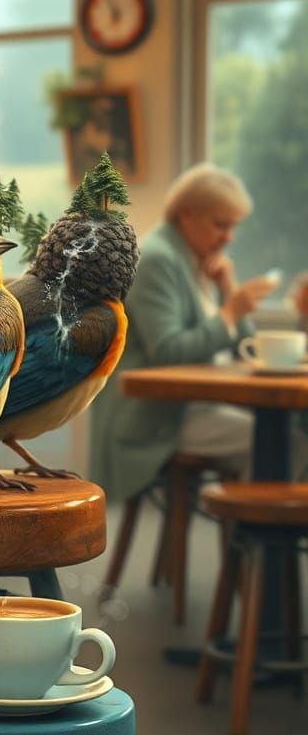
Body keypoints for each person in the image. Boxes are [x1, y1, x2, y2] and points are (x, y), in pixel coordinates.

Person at [89, 163, 276, 502]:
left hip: (192, 406)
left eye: (233, 227)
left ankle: (257, 544)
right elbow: (168, 350)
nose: (229, 237)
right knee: (274, 441)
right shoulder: (157, 259)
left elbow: (245, 344)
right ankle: (259, 543)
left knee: (283, 435)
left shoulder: (197, 259)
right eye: (221, 225)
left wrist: (228, 288)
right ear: (188, 214)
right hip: (156, 415)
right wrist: (231, 310)